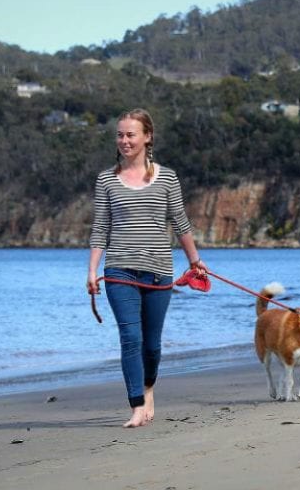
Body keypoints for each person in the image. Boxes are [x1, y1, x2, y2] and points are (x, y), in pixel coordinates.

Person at [87, 108, 207, 428]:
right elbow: (100, 228)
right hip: (119, 271)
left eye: (131, 134)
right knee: (130, 337)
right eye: (120, 134)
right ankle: (136, 405)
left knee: (151, 344)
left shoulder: (167, 177)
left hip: (158, 271)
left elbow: (180, 223)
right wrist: (91, 270)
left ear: (147, 136)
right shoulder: (106, 180)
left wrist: (195, 261)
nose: (124, 140)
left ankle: (149, 387)